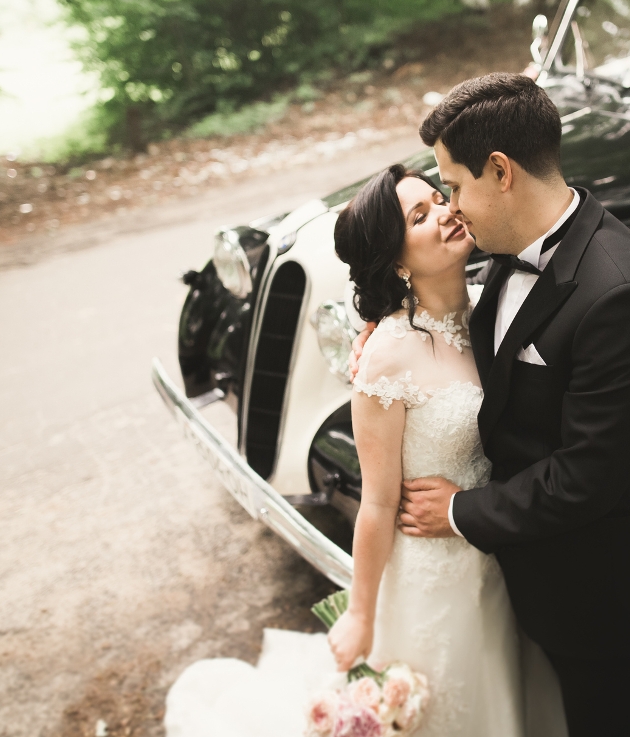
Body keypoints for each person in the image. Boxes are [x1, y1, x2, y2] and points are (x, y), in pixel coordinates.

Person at [163, 163, 566, 737]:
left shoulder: (495, 304)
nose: (447, 212)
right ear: (398, 261)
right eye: (419, 216)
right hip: (433, 570)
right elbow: (376, 505)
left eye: (439, 197)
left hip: (498, 549)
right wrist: (360, 613)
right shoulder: (386, 356)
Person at [390, 72, 630, 737]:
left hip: (596, 595)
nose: (451, 206)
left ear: (501, 172)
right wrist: (385, 347)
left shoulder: (621, 295)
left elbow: (588, 477)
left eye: (455, 185)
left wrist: (461, 509)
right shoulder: (506, 244)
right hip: (518, 579)